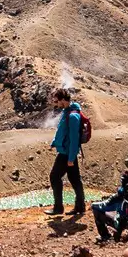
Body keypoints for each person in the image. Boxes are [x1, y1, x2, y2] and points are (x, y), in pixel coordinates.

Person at [48, 88, 88, 219]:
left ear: (63, 100)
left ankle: (58, 207)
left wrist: (71, 158)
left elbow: (74, 139)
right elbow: (63, 132)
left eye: (56, 100)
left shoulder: (72, 116)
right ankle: (80, 207)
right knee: (75, 179)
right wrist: (54, 142)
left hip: (66, 153)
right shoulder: (67, 112)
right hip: (66, 151)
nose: (55, 103)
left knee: (54, 177)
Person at [92, 172, 128, 245]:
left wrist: (93, 204)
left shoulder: (123, 192)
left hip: (124, 225)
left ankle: (105, 236)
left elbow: (105, 205)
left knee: (96, 208)